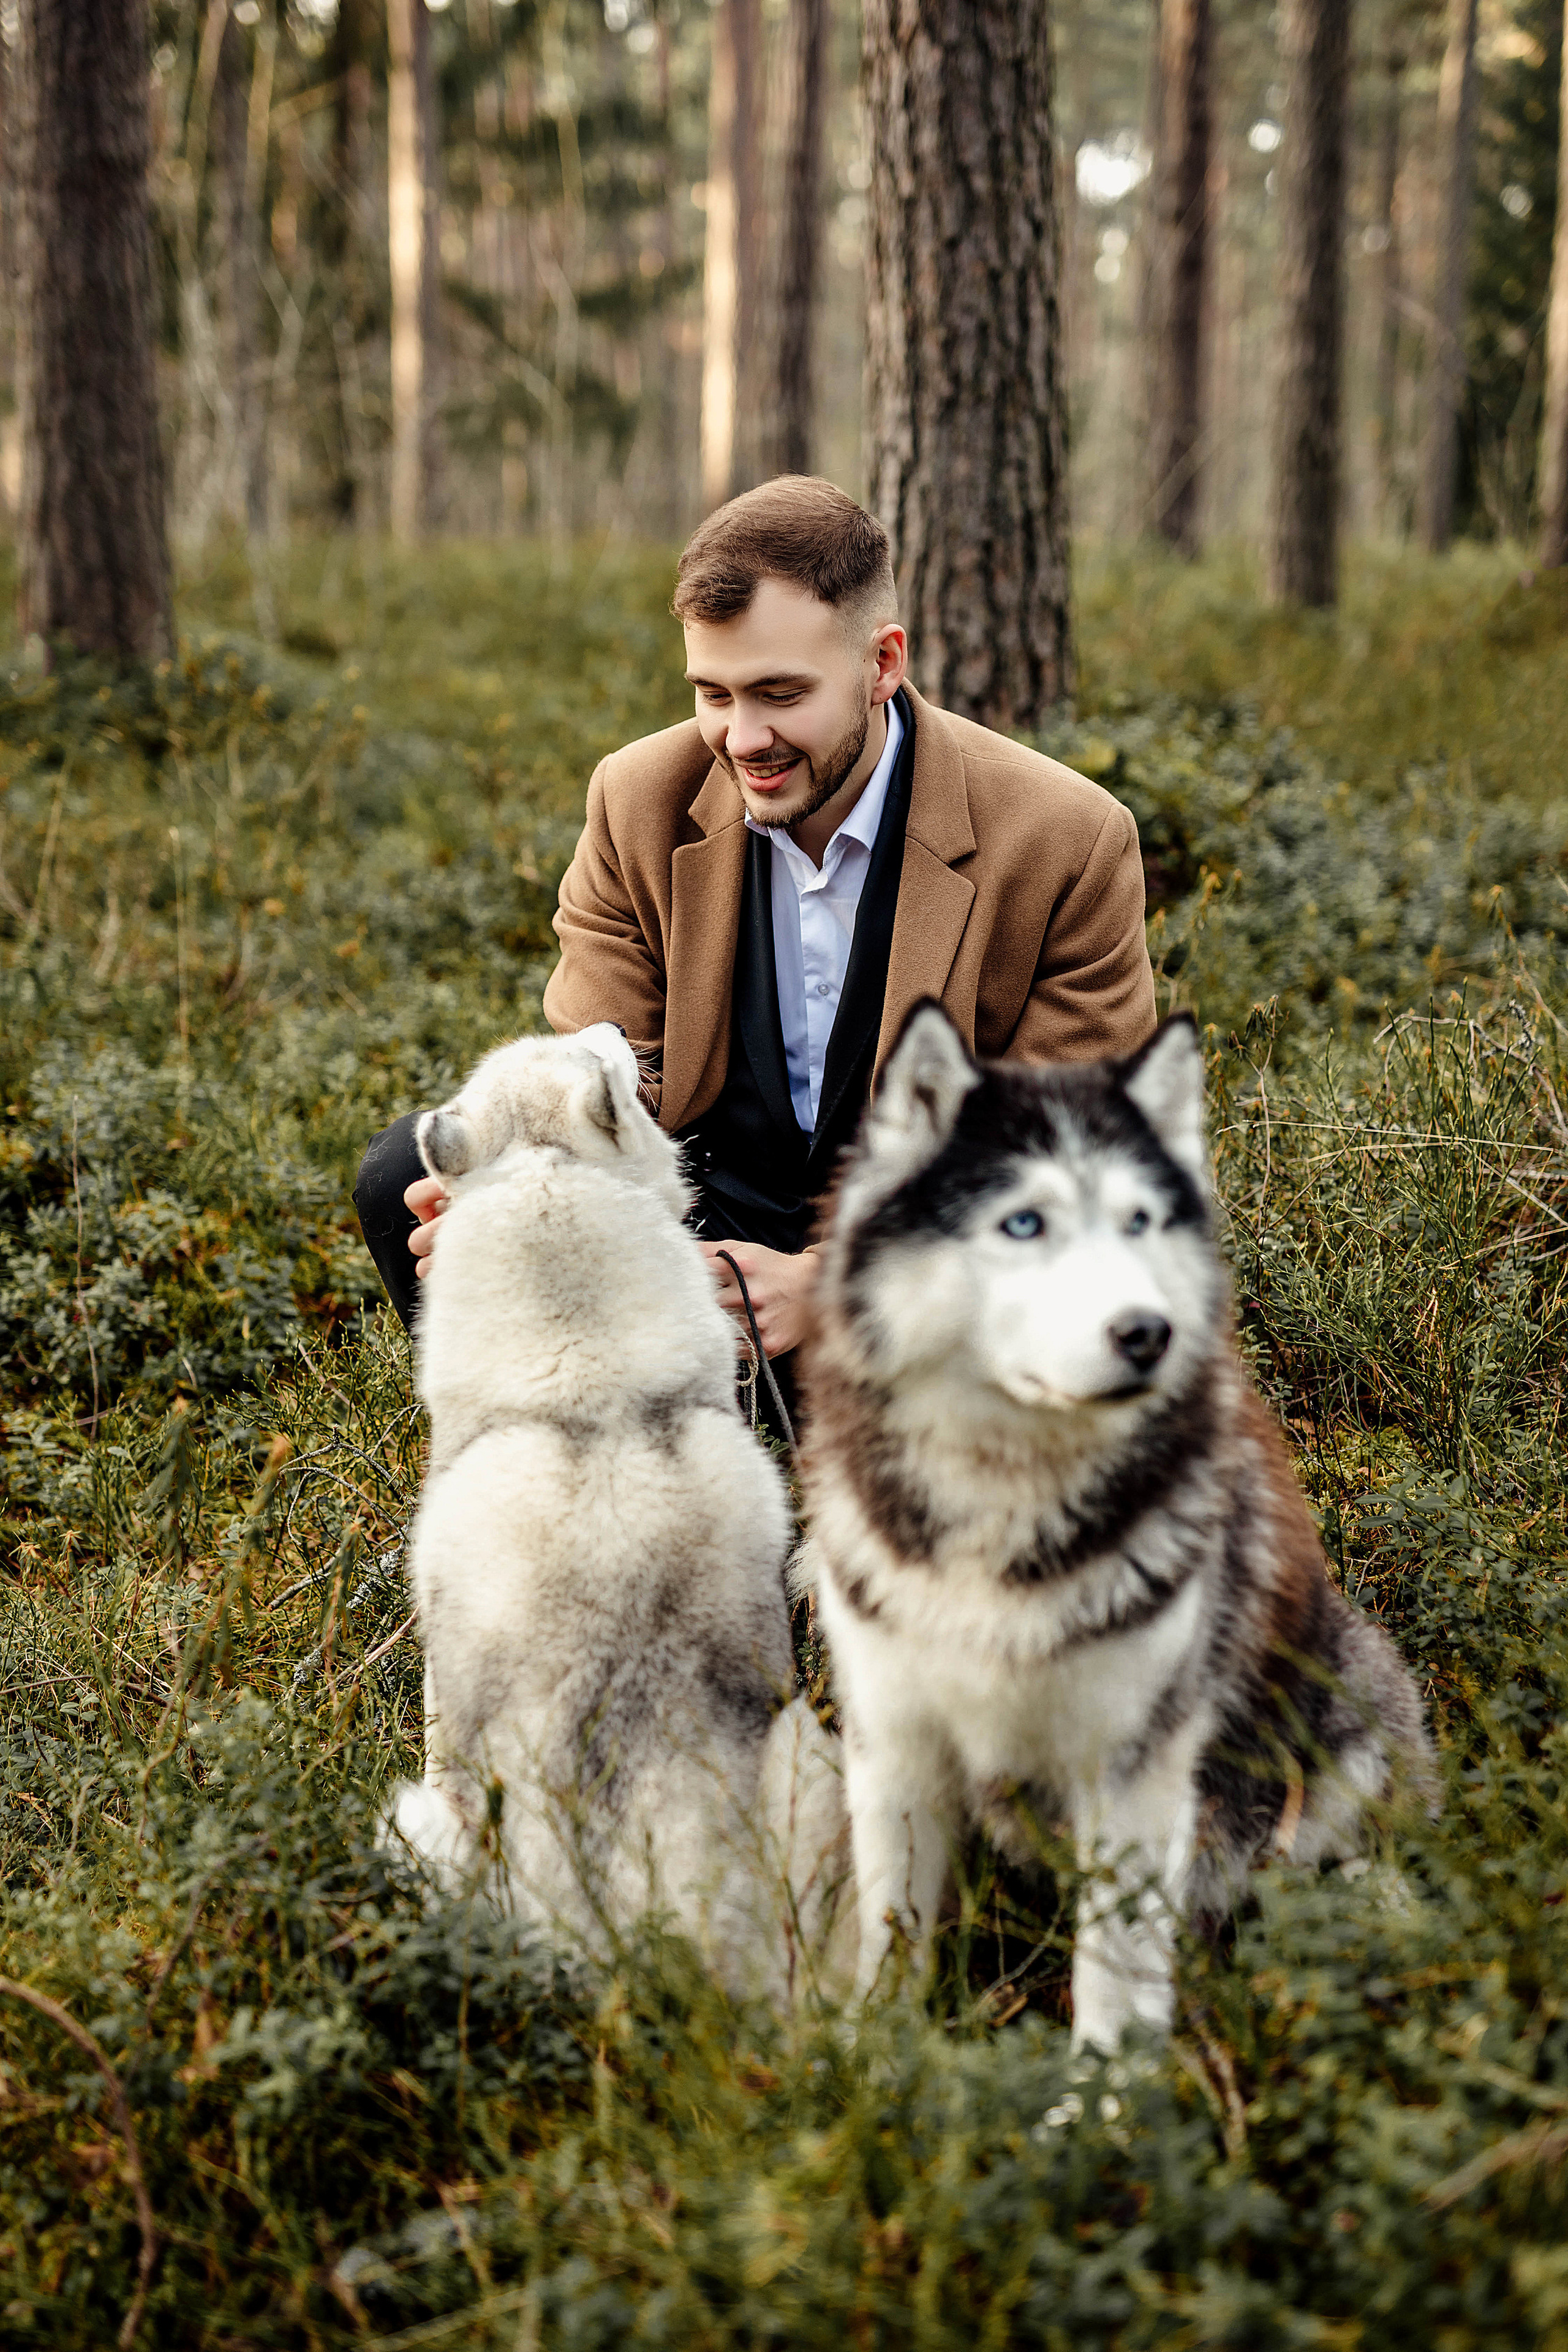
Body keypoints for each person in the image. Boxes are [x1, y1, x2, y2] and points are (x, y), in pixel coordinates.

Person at [353, 476, 1158, 1412]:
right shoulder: (635, 800)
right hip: (703, 1225)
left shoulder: (1067, 837)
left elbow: (1074, 1153)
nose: (744, 739)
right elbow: (602, 1075)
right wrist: (523, 1209)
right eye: (714, 694)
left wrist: (832, 1284)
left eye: (782, 694)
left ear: (883, 663)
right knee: (404, 1175)